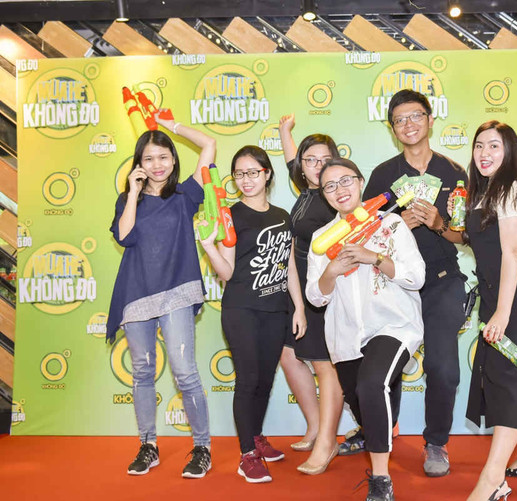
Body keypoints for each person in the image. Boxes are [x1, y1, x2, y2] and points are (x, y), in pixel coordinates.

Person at [306, 158, 425, 501]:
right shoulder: (321, 239)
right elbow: (316, 296)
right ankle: (384, 412)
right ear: (324, 194)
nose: (339, 190)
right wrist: (331, 270)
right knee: (360, 398)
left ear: (360, 182)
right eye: (330, 186)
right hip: (345, 335)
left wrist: (373, 257)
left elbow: (416, 277)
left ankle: (381, 478)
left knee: (372, 383)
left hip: (393, 324)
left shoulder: (392, 224)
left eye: (346, 181)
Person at [362, 89, 467, 477]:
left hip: (442, 281)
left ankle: (436, 442)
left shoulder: (455, 173)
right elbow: (365, 235)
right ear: (393, 129)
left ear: (430, 119)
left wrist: (439, 224)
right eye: (400, 120)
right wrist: (395, 227)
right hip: (396, 285)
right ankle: (383, 433)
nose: (409, 124)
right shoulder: (382, 175)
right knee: (384, 368)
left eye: (416, 116)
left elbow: (465, 235)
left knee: (444, 368)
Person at [107, 114, 214, 478]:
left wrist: (171, 126)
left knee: (185, 372)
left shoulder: (186, 194)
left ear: (173, 159)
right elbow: (125, 236)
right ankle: (148, 445)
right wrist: (133, 193)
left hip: (177, 292)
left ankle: (202, 448)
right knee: (142, 371)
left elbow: (209, 145)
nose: (157, 165)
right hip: (136, 294)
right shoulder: (128, 199)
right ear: (139, 163)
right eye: (149, 158)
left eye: (163, 156)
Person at [199, 145, 305, 483]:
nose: (246, 180)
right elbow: (227, 272)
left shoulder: (283, 216)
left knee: (265, 380)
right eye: (239, 174)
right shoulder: (230, 215)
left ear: (267, 173)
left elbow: (289, 266)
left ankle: (257, 438)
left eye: (253, 172)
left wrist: (299, 307)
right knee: (248, 380)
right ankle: (247, 455)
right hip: (242, 309)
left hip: (276, 310)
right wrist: (209, 247)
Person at [463, 121, 517, 501]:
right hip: (495, 296)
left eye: (494, 146)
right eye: (479, 145)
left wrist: (502, 313)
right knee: (499, 377)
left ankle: (492, 479)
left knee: (511, 379)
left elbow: (512, 254)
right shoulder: (481, 190)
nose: (485, 153)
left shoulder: (510, 188)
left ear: (509, 151)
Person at [278, 113, 345, 474]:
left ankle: (327, 442)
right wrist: (284, 131)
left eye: (325, 159)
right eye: (310, 160)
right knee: (289, 355)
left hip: (323, 291)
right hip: (298, 289)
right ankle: (316, 425)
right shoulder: (307, 190)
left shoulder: (334, 196)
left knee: (324, 365)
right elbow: (293, 158)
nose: (318, 166)